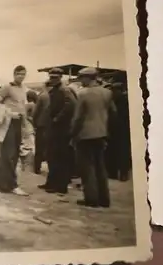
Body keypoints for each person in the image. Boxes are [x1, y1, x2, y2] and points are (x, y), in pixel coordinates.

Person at [71, 67, 116, 208]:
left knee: (87, 167)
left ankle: (91, 199)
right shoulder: (107, 92)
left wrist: (73, 134)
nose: (80, 81)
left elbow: (78, 118)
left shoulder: (83, 94)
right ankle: (104, 199)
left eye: (82, 78)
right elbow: (113, 113)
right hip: (101, 133)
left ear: (88, 78)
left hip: (85, 134)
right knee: (100, 167)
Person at [0, 65, 29, 196]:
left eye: (23, 74)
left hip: (18, 123)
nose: (21, 76)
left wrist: (25, 124)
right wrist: (9, 114)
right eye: (19, 74)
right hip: (8, 124)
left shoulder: (23, 89)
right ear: (14, 74)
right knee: (8, 153)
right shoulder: (7, 87)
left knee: (15, 153)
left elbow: (23, 107)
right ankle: (12, 185)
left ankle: (4, 183)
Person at [41, 67, 76, 195]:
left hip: (61, 129)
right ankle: (51, 182)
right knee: (52, 156)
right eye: (51, 77)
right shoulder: (55, 90)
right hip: (54, 127)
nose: (52, 80)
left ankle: (60, 186)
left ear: (60, 78)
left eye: (55, 77)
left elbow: (71, 105)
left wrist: (58, 118)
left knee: (60, 157)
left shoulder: (64, 90)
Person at [106, 82, 131, 182]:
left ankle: (122, 173)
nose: (114, 92)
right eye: (113, 90)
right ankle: (113, 173)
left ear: (121, 90)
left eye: (115, 90)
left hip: (122, 130)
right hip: (114, 129)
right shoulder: (113, 101)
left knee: (122, 152)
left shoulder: (124, 101)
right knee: (114, 151)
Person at [32, 82, 50, 174]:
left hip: (41, 125)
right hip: (51, 125)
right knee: (50, 147)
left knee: (39, 147)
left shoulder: (42, 96)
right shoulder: (55, 95)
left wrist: (34, 123)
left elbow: (36, 111)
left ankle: (37, 168)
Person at [19, 90, 38, 172]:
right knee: (31, 145)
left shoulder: (28, 105)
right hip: (30, 127)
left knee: (25, 145)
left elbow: (24, 115)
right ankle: (29, 167)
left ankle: (25, 166)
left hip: (26, 126)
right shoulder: (35, 105)